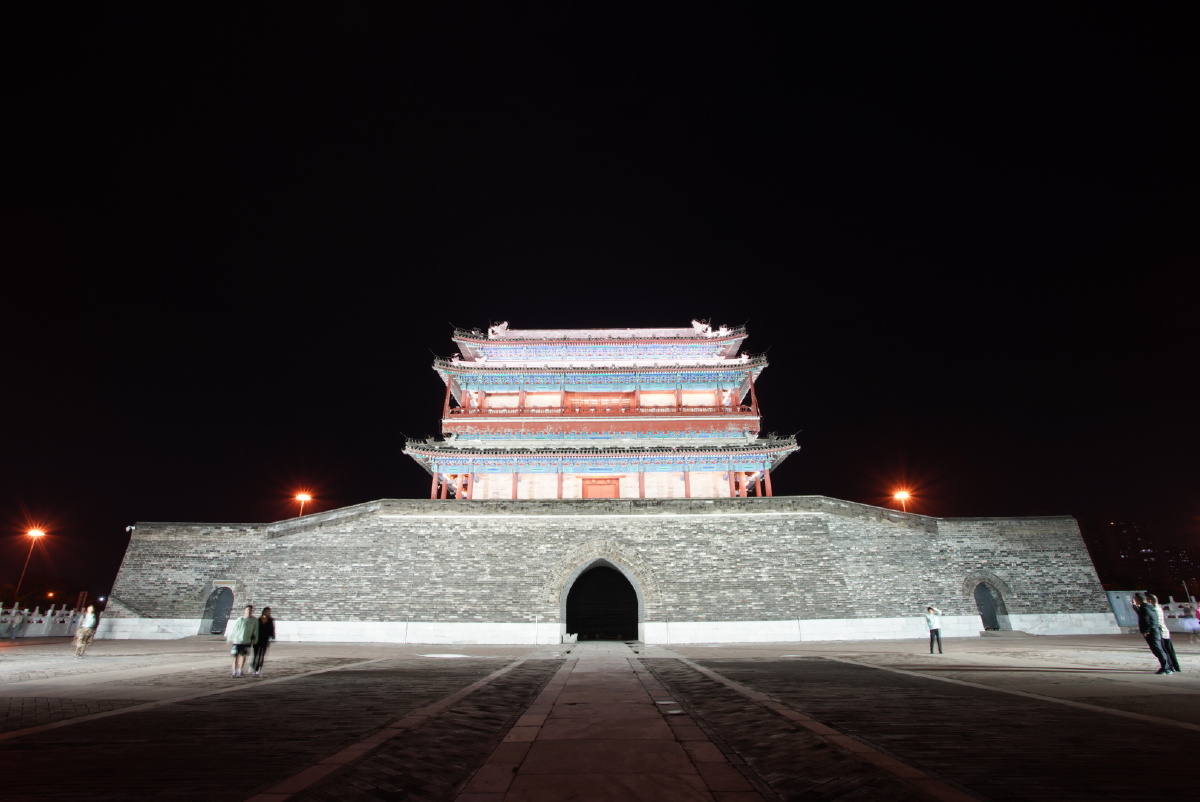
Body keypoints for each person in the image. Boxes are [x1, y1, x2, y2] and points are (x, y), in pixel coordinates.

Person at [1132, 594, 1171, 674]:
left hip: (1152, 632)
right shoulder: (1148, 607)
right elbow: (1143, 615)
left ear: (1138, 599)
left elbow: (1146, 619)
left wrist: (1146, 630)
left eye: (1135, 599)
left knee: (1157, 649)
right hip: (1154, 631)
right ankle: (1166, 666)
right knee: (1157, 649)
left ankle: (1166, 668)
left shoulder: (1144, 608)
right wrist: (1134, 606)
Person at [1148, 593, 1181, 674]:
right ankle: (1176, 667)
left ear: (1150, 600)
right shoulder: (1159, 608)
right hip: (1165, 631)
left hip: (1161, 632)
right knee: (1170, 650)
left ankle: (1169, 667)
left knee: (1165, 650)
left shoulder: (1154, 610)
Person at [226, 605, 259, 677]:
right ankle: (234, 671)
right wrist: (230, 638)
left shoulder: (254, 620)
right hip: (237, 640)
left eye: (250, 610)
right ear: (244, 611)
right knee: (235, 655)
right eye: (247, 610)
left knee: (243, 655)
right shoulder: (240, 619)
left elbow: (256, 630)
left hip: (247, 641)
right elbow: (234, 629)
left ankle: (240, 670)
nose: (249, 611)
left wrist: (256, 639)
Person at [250, 607, 275, 676]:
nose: (267, 613)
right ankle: (253, 666)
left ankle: (259, 668)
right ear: (263, 612)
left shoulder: (270, 620)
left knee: (261, 655)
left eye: (268, 612)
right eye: (266, 611)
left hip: (265, 640)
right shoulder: (257, 620)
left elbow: (272, 629)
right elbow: (254, 629)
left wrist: (272, 636)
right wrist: (252, 637)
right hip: (257, 639)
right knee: (255, 655)